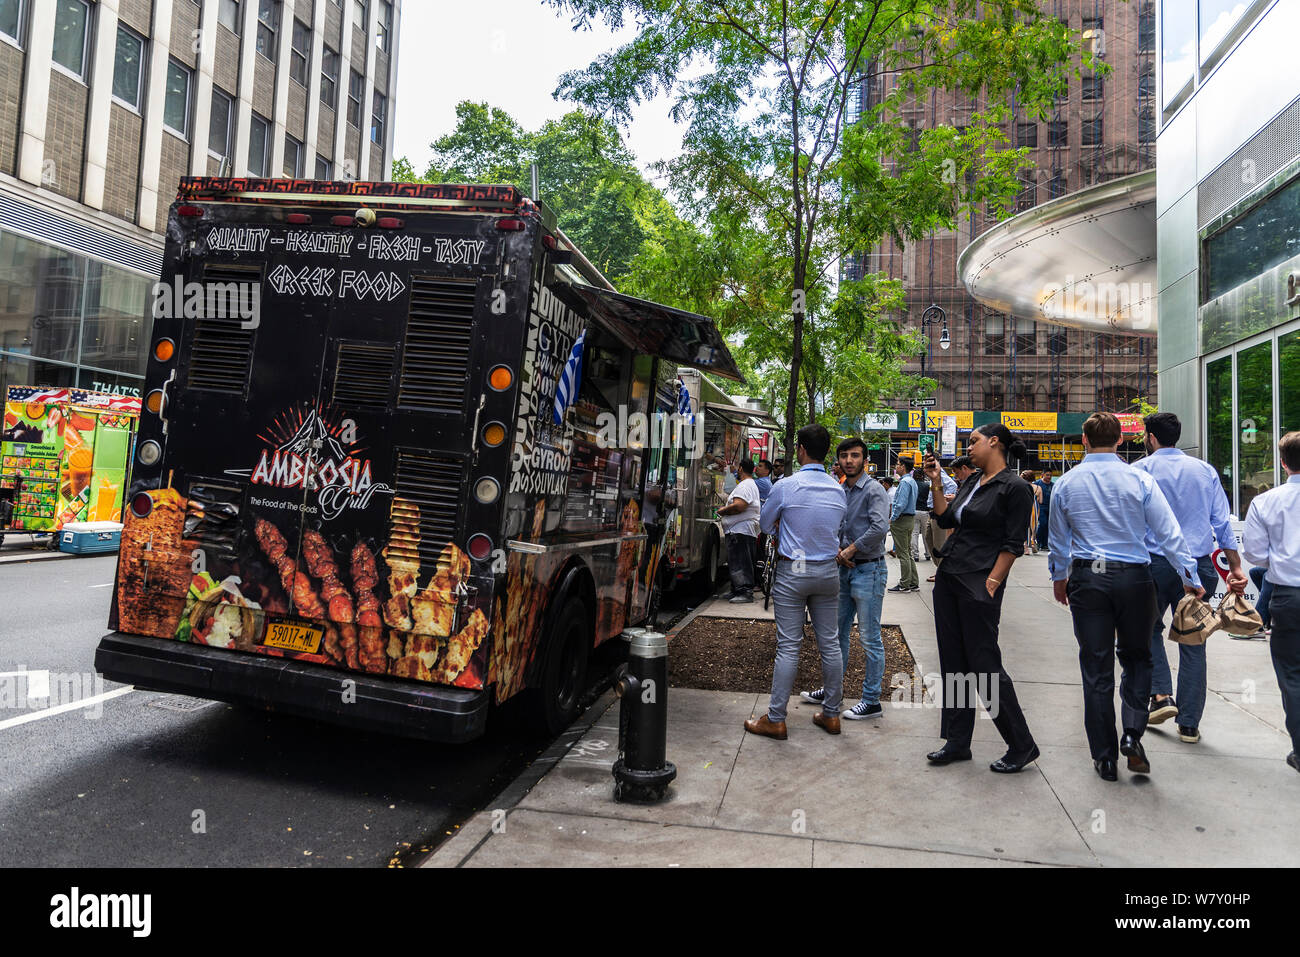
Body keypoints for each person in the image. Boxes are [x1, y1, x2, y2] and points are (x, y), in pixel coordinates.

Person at [1049, 412, 1203, 782]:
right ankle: (1133, 734)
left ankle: (1104, 756)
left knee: (1096, 666)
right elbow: (1169, 533)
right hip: (1135, 578)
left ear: (1084, 441)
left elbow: (1057, 541)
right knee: (1138, 658)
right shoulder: (1140, 479)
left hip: (1089, 578)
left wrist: (1060, 577)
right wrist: (1189, 575)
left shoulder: (1067, 483)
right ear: (1120, 441)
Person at [922, 425, 1040, 773]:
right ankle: (958, 742)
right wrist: (937, 481)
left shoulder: (1015, 487)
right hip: (950, 578)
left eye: (973, 441)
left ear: (994, 443)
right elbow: (946, 516)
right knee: (953, 662)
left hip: (978, 583)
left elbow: (1013, 543)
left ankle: (1021, 744)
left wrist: (992, 582)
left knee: (985, 666)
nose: (968, 447)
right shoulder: (972, 482)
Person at [1133, 412, 1248, 744]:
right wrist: (1235, 568)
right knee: (1193, 640)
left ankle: (1159, 695)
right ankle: (1189, 724)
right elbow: (1222, 523)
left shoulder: (1140, 470)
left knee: (1147, 629)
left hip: (1153, 563)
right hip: (1199, 567)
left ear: (1151, 438)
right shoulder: (1204, 470)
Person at [745, 425, 848, 739]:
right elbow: (838, 529)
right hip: (828, 571)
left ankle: (776, 719)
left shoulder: (786, 485)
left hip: (795, 569)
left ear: (801, 449)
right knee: (830, 645)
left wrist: (782, 528)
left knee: (789, 646)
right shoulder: (837, 488)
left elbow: (764, 523)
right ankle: (832, 715)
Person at [800, 437, 891, 719]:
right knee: (836, 635)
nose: (849, 460)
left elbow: (879, 527)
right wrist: (838, 548)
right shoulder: (841, 489)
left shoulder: (874, 489)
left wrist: (850, 548)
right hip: (844, 570)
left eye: (854, 455)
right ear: (837, 460)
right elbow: (840, 525)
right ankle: (832, 691)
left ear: (864, 460)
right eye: (844, 456)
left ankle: (871, 700)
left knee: (869, 638)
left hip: (869, 570)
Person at [1240, 431, 1300, 775]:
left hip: (1289, 595)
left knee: (1292, 675)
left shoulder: (1267, 502)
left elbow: (1256, 554)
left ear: (1282, 462)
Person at [717, 459, 761, 604]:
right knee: (736, 561)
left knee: (741, 561)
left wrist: (723, 510)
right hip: (740, 530)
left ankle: (744, 591)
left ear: (741, 469)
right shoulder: (748, 484)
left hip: (741, 530)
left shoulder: (745, 485)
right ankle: (737, 589)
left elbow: (739, 506)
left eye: (737, 468)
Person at [888, 456, 918, 593]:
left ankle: (904, 584)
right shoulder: (911, 481)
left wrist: (892, 518)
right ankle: (913, 582)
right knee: (908, 552)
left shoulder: (905, 482)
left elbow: (900, 504)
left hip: (901, 520)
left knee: (903, 553)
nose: (896, 466)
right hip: (909, 519)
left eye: (898, 464)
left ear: (903, 467)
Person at [924, 463, 959, 582]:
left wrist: (943, 500)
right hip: (931, 512)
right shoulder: (933, 476)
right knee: (929, 539)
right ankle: (940, 569)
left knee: (939, 544)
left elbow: (952, 485)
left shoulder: (939, 475)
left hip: (938, 513)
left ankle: (943, 572)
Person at [1033, 470, 1054, 551]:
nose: (1049, 477)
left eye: (1050, 475)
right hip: (1040, 507)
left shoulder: (1053, 485)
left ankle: (1044, 544)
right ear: (1042, 475)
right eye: (1047, 475)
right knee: (1042, 524)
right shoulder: (1037, 484)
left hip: (1050, 508)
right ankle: (1037, 542)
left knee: (1048, 526)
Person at [1020, 469, 1040, 553]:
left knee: (1024, 526)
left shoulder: (1021, 486)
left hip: (1024, 507)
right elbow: (1040, 500)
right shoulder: (1038, 487)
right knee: (1033, 526)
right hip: (1034, 508)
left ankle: (1025, 547)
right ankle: (1033, 542)